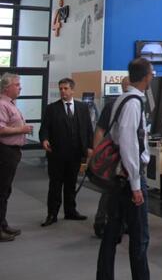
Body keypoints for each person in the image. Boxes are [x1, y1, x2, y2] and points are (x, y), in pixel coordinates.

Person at [96, 60, 152, 280]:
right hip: (129, 179)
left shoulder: (123, 99)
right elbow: (129, 145)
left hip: (120, 177)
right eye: (151, 73)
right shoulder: (133, 103)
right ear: (146, 76)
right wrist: (136, 185)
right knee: (140, 238)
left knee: (112, 233)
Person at [38, 78, 94, 226]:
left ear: (72, 90)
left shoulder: (82, 108)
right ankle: (52, 214)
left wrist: (90, 147)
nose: (62, 91)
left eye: (65, 88)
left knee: (71, 184)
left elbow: (88, 129)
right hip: (56, 154)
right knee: (55, 185)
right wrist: (44, 139)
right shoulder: (52, 108)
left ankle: (70, 211)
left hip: (75, 154)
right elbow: (44, 129)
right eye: (61, 89)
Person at [93, 77, 130, 238]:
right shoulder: (113, 106)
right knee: (110, 189)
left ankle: (122, 222)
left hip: (126, 155)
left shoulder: (133, 104)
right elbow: (100, 130)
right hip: (114, 155)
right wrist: (97, 154)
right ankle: (101, 222)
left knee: (125, 191)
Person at [0, 73, 32, 242]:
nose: (20, 88)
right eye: (17, 85)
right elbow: (1, 129)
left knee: (5, 190)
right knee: (1, 191)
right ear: (7, 87)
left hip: (11, 152)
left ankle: (2, 224)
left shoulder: (10, 104)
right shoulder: (2, 104)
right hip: (5, 152)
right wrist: (22, 129)